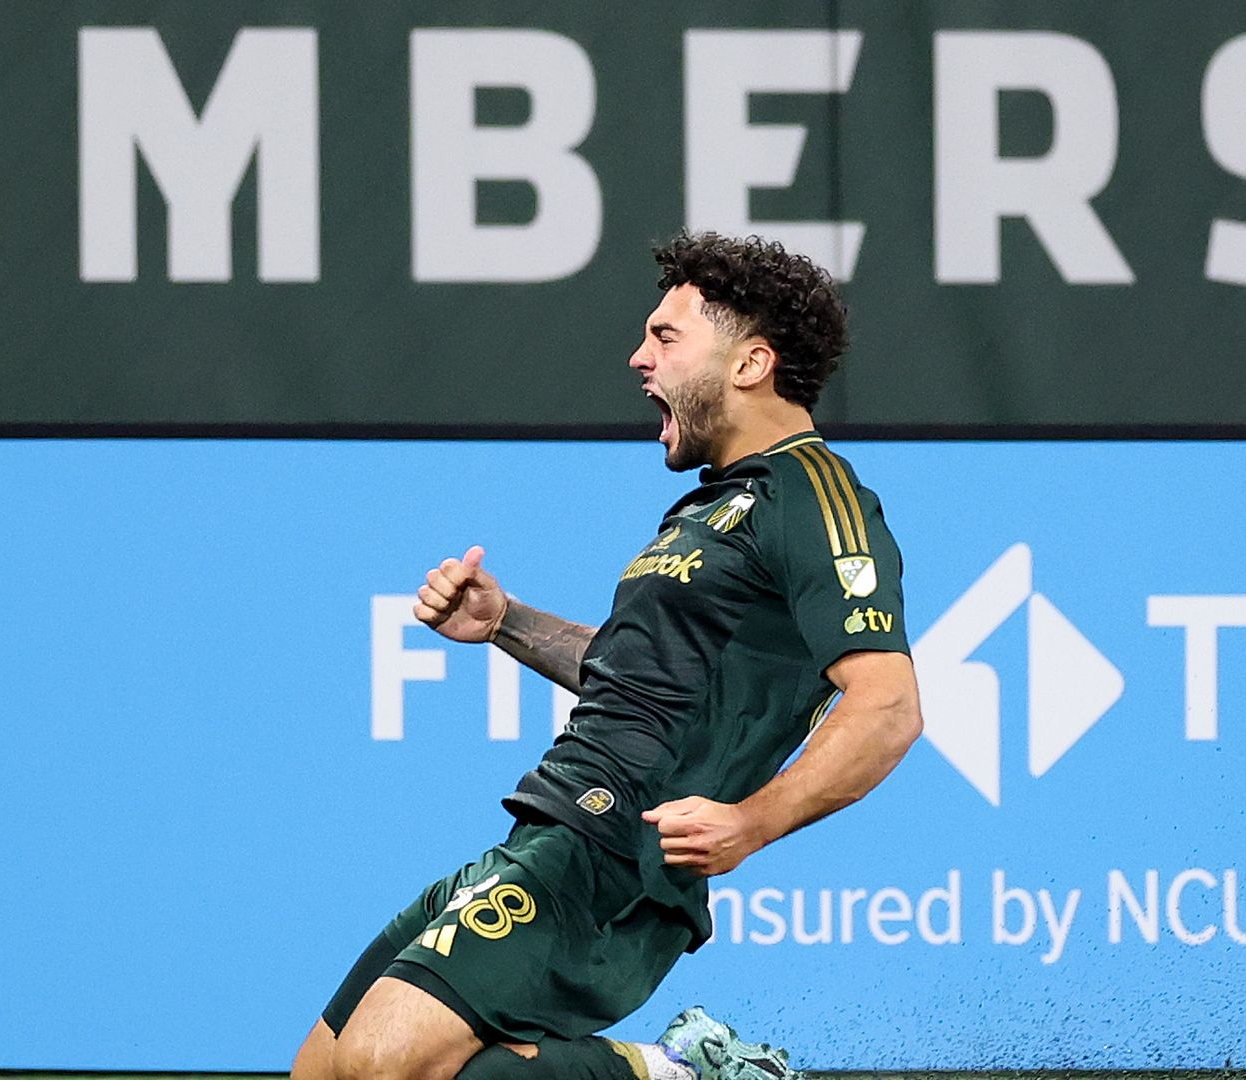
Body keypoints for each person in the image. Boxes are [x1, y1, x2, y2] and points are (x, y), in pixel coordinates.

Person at [290, 233, 923, 1080]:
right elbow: (652, 682)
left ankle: (678, 1074)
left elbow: (888, 706)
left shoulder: (814, 492)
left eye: (666, 337)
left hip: (620, 851)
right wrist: (506, 621)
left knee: (383, 1062)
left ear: (750, 364)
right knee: (324, 1072)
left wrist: (749, 823)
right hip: (553, 825)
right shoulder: (709, 508)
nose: (638, 357)